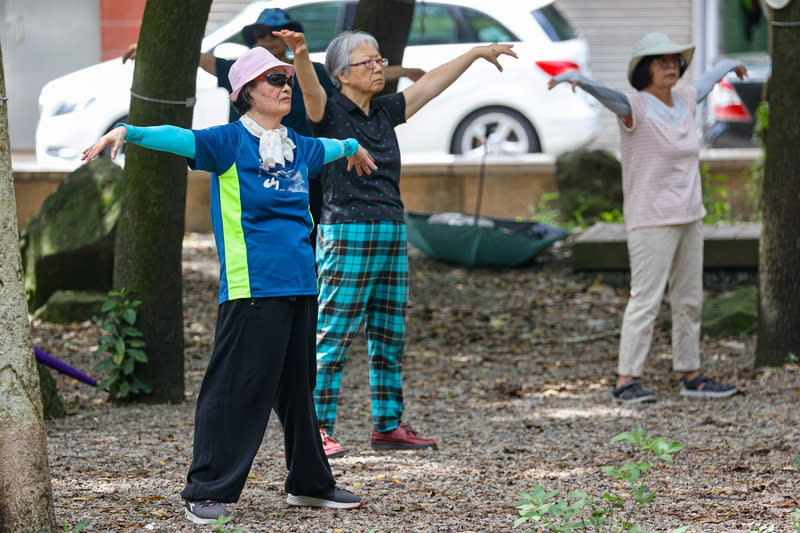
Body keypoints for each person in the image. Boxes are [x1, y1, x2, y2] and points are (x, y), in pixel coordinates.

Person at [82, 46, 376, 524]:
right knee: (236, 388)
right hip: (252, 287)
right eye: (272, 80)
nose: (285, 86)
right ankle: (205, 489)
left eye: (287, 79)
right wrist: (129, 131)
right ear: (244, 94)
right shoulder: (228, 143)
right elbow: (178, 137)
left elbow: (333, 147)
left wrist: (352, 146)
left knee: (300, 391)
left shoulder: (297, 145)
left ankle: (310, 484)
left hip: (302, 285)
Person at [275, 28, 517, 456]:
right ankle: (316, 429)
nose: (378, 68)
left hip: (391, 229)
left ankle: (387, 425)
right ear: (342, 75)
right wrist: (299, 54)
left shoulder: (385, 111)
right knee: (333, 335)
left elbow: (429, 84)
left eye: (380, 60)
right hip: (346, 232)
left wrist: (476, 53)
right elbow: (310, 90)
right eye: (367, 62)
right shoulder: (328, 111)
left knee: (389, 334)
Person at [124, 8, 423, 254]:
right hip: (253, 171)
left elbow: (351, 72)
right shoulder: (242, 70)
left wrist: (403, 72)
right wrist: (152, 50)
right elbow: (203, 62)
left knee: (307, 235)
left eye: (274, 34)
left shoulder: (311, 72)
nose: (268, 39)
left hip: (303, 169)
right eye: (261, 35)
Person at [548, 32, 745, 404]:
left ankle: (692, 375)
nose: (670, 65)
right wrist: (577, 80)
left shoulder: (685, 100)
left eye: (674, 59)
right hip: (651, 219)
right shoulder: (633, 106)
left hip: (690, 215)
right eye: (660, 60)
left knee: (689, 299)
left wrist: (727, 66)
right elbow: (607, 96)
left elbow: (704, 83)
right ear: (644, 69)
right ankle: (626, 381)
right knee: (646, 299)